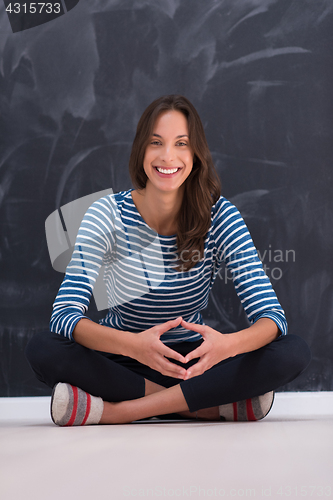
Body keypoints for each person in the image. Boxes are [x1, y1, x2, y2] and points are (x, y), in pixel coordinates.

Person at [26, 95, 311, 426]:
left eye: (181, 144)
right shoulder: (106, 214)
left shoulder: (220, 216)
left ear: (195, 154)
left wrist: (226, 347)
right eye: (155, 143)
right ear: (140, 151)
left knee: (293, 351)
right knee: (43, 348)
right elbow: (64, 316)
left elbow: (272, 318)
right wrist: (134, 346)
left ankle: (118, 412)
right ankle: (207, 407)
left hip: (193, 363)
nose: (167, 156)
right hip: (122, 358)